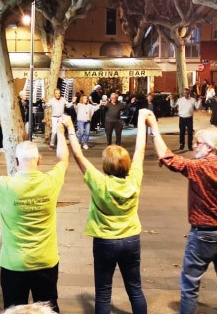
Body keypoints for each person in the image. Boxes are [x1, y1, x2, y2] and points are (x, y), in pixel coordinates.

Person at [148, 121, 217, 314]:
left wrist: (154, 128)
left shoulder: (200, 168)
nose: (194, 146)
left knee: (190, 284)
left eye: (198, 143)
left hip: (203, 234)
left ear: (210, 147)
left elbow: (167, 157)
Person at [0, 128, 70, 312]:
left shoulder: (6, 185)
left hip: (14, 264)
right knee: (48, 308)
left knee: (14, 309)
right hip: (46, 261)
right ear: (39, 160)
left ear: (16, 161)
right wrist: (60, 131)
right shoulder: (51, 181)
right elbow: (64, 159)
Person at [63, 111, 148, 314]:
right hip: (130, 239)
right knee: (135, 288)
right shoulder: (134, 179)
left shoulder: (99, 182)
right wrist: (142, 121)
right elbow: (141, 150)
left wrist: (70, 128)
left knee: (103, 292)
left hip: (104, 241)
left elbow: (78, 155)